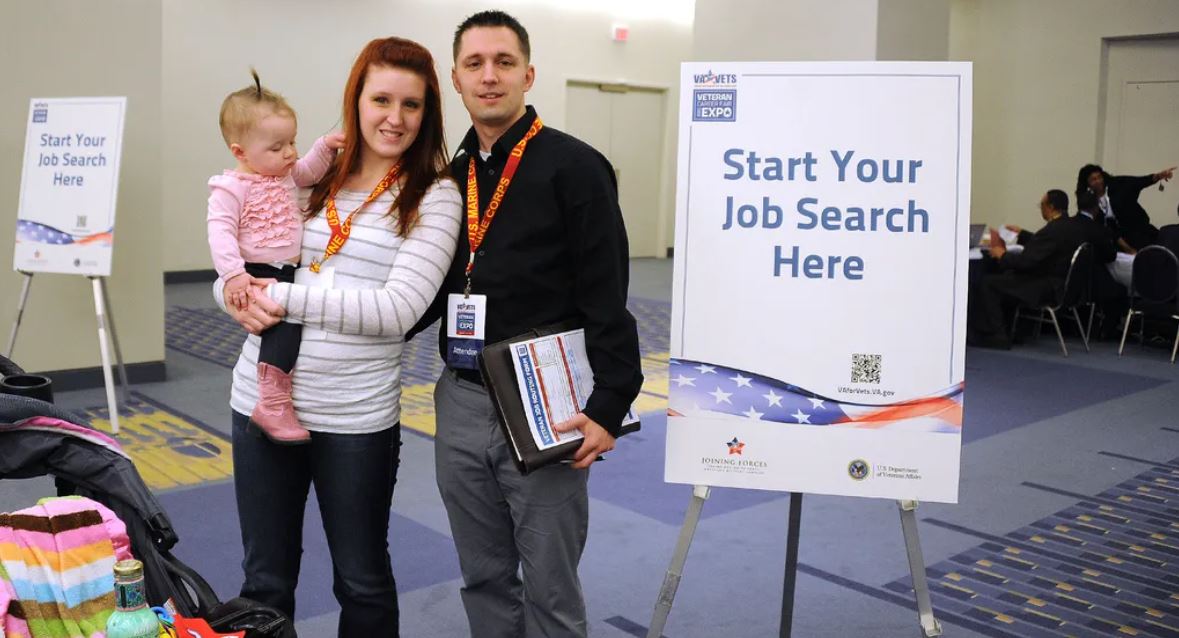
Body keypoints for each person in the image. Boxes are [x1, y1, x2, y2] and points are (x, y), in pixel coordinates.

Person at [216, 37, 463, 636]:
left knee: (361, 579)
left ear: (428, 113)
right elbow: (245, 261)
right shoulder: (306, 179)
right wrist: (231, 294)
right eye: (381, 99)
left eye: (412, 105)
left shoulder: (436, 195)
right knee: (264, 581)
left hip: (354, 418)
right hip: (259, 399)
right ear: (356, 99)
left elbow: (397, 311)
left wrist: (278, 296)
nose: (394, 118)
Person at [407, 10, 643, 637]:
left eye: (504, 63)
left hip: (546, 404)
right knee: (483, 576)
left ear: (528, 74)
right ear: (455, 79)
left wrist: (610, 403)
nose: (490, 77)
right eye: (474, 64)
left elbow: (607, 296)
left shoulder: (575, 168)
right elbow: (430, 287)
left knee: (550, 588)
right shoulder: (448, 178)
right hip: (459, 398)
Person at [208, 70, 343, 444]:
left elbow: (311, 170)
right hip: (257, 269)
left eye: (292, 142)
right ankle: (272, 400)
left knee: (289, 323)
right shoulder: (230, 188)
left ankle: (274, 398)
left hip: (288, 267)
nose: (290, 153)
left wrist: (325, 146)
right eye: (277, 146)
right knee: (284, 326)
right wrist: (233, 275)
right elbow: (219, 234)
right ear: (240, 152)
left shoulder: (284, 174)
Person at [968, 189, 1091, 349]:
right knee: (1005, 278)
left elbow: (1026, 262)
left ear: (1051, 206)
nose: (1041, 209)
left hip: (1045, 285)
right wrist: (1023, 234)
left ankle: (997, 335)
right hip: (1061, 285)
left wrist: (1002, 255)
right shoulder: (1071, 227)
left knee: (988, 282)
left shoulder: (1052, 231)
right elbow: (1046, 246)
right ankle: (1013, 331)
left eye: (1042, 205)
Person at [1075, 163, 1175, 250]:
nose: (1098, 181)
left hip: (1140, 232)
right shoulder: (1089, 202)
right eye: (1093, 179)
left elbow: (1140, 182)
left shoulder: (1118, 185)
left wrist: (1159, 176)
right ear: (1087, 183)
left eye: (1099, 177)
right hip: (1117, 243)